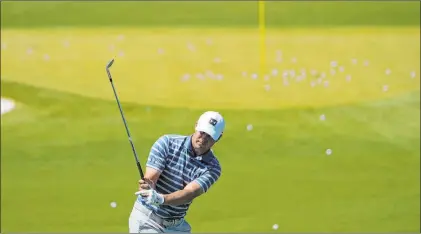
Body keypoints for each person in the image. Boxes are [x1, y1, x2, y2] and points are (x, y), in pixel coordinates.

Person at [128, 111, 225, 233]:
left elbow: (189, 193)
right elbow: (151, 178)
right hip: (148, 219)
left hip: (176, 226)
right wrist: (148, 186)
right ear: (196, 125)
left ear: (219, 137)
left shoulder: (213, 168)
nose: (204, 139)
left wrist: (162, 199)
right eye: (202, 132)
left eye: (210, 136)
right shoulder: (167, 143)